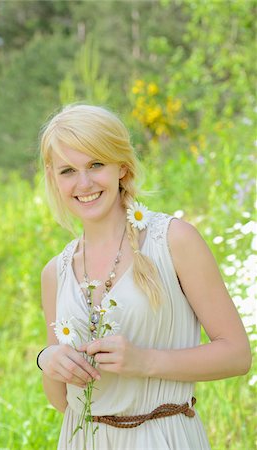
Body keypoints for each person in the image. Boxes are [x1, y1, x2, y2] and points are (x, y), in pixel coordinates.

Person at [37, 104, 251, 450]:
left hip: (162, 436)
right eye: (67, 171)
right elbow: (62, 401)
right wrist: (47, 361)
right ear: (53, 177)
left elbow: (238, 355)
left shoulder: (174, 240)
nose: (84, 183)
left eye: (96, 164)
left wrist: (146, 362)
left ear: (122, 166)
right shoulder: (55, 273)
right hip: (83, 440)